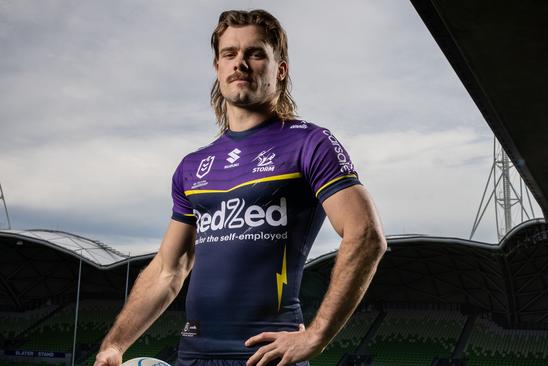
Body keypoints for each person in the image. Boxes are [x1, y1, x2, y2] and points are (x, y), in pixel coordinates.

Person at [94, 9, 386, 366]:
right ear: (217, 68)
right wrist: (114, 344)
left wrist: (316, 335)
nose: (240, 63)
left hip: (265, 357)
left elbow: (366, 234)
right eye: (229, 54)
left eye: (256, 53)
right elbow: (170, 268)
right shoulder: (193, 166)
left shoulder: (309, 143)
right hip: (193, 357)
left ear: (280, 69)